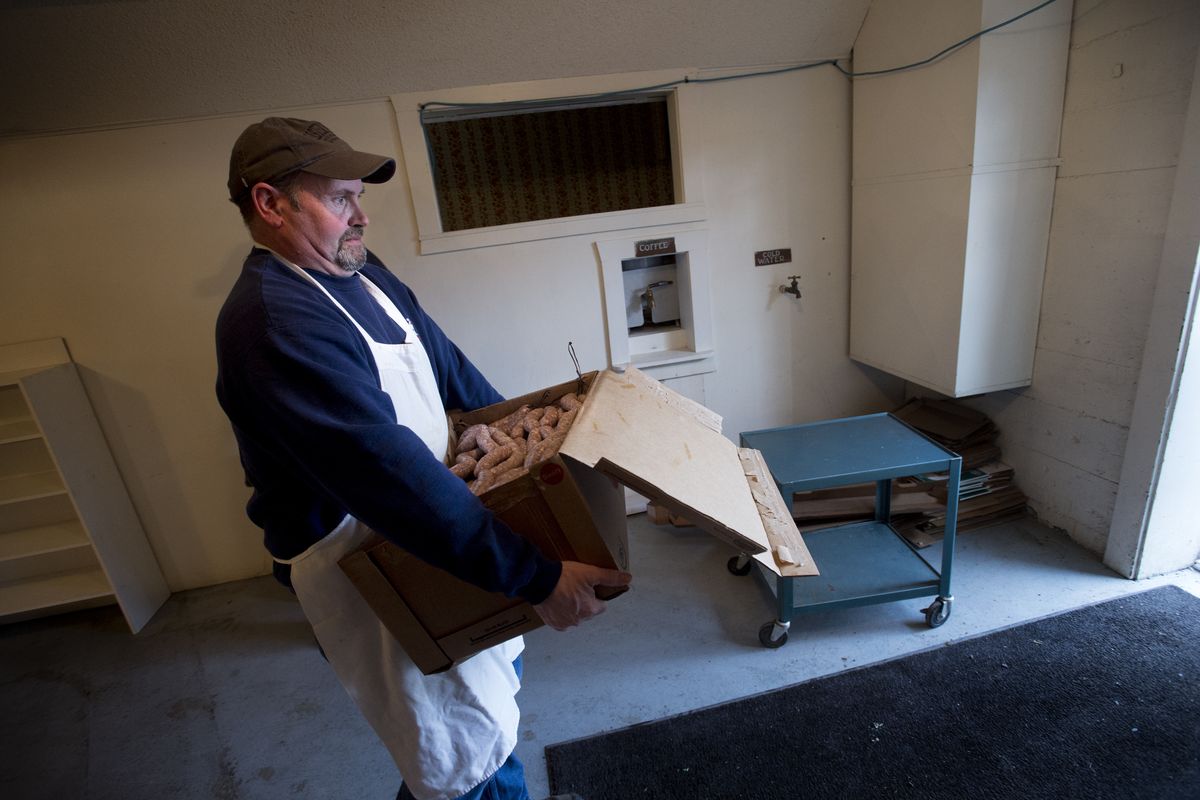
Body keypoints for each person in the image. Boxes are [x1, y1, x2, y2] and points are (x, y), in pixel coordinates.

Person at [215, 116, 630, 800]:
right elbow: (388, 479)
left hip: (444, 524)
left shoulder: (357, 272)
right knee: (459, 746)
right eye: (341, 197)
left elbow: (444, 363)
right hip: (372, 557)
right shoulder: (274, 322)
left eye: (358, 195)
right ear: (270, 204)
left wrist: (527, 459)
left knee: (485, 702)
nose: (362, 215)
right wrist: (533, 575)